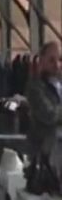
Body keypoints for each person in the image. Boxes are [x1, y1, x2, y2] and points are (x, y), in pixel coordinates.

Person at [25, 41, 62, 172]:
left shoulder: (59, 84)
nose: (57, 65)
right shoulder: (35, 87)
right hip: (45, 156)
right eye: (51, 60)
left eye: (59, 59)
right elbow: (49, 115)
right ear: (41, 61)